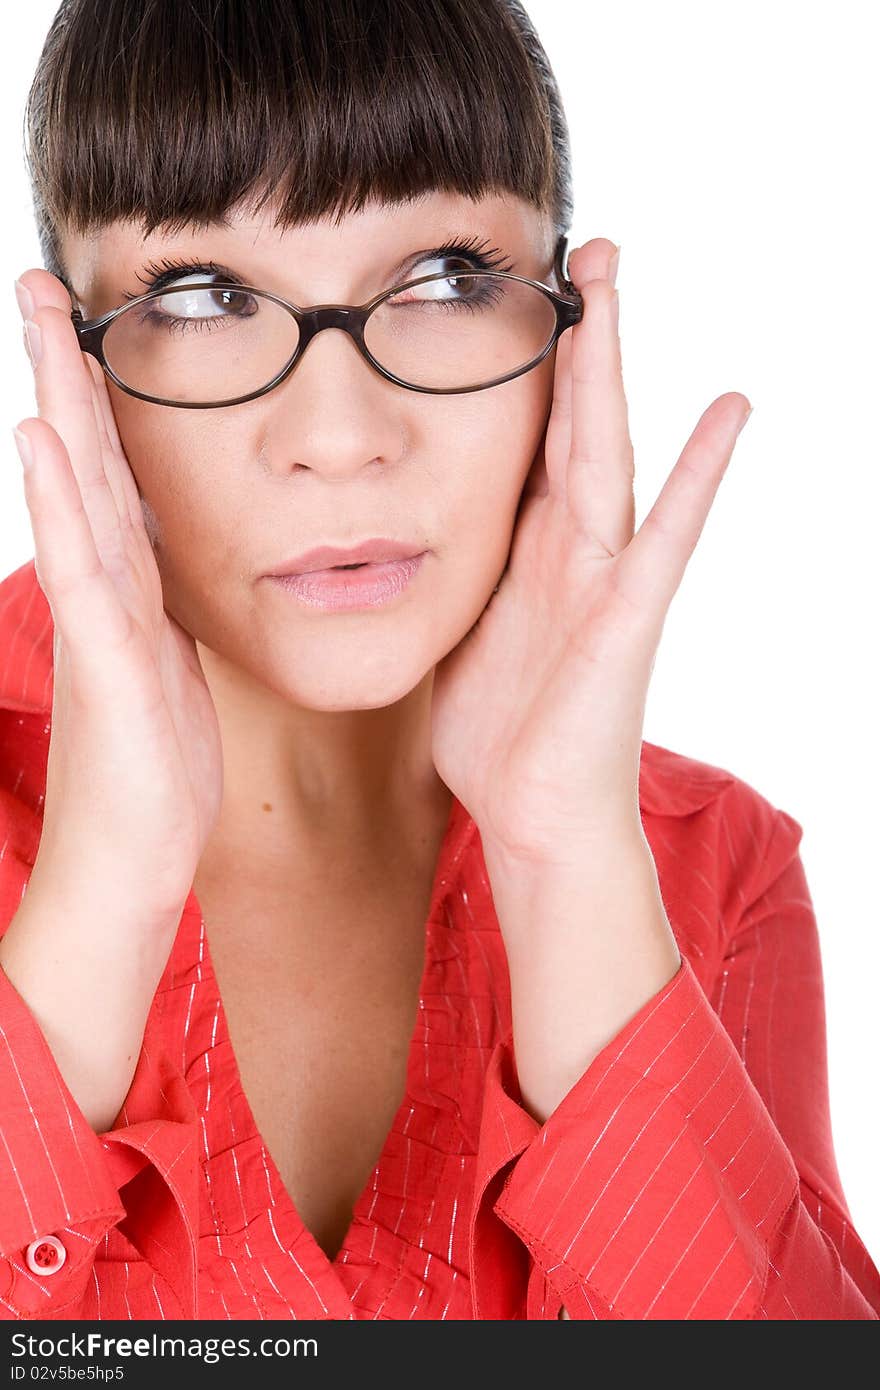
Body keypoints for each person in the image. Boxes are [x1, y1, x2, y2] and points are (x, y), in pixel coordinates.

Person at [0, 0, 877, 1323]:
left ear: (569, 333)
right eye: (200, 295)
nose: (341, 434)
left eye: (450, 281)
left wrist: (565, 867)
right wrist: (97, 910)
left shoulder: (711, 876)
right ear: (72, 354)